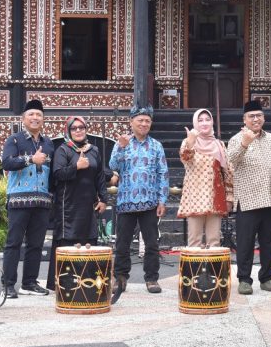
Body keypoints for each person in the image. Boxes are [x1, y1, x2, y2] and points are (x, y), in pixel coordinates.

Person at [227, 100, 271, 295]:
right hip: (247, 200)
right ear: (244, 119)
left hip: (270, 199)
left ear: (263, 118)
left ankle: (266, 277)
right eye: (251, 116)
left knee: (269, 242)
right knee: (245, 243)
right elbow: (231, 162)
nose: (256, 119)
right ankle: (244, 279)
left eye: (259, 116)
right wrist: (245, 144)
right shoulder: (236, 139)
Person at [110, 105, 169, 300]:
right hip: (126, 201)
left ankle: (151, 278)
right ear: (131, 122)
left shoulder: (156, 146)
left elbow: (163, 174)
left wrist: (162, 200)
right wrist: (121, 148)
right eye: (140, 120)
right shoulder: (123, 142)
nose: (144, 123)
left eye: (147, 121)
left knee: (152, 243)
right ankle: (120, 277)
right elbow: (113, 167)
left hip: (150, 203)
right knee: (122, 243)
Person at [46, 116, 109, 291]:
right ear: (69, 131)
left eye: (81, 127)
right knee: (67, 241)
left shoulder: (93, 150)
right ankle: (64, 284)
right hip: (68, 207)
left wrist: (103, 199)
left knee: (88, 239)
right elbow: (57, 174)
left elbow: (100, 177)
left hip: (88, 205)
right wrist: (76, 167)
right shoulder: (63, 150)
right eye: (74, 128)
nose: (78, 130)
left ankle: (88, 282)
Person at [0, 100, 54, 298]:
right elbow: (6, 162)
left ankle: (29, 282)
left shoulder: (48, 143)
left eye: (38, 115)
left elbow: (53, 173)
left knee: (36, 244)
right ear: (23, 119)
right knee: (13, 243)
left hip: (42, 202)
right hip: (19, 200)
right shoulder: (14, 140)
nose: (35, 118)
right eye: (31, 114)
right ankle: (8, 284)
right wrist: (31, 159)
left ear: (43, 119)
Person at [179, 108, 233, 247]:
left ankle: (213, 269)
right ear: (195, 123)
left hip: (215, 197)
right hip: (195, 198)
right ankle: (193, 270)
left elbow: (228, 172)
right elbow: (186, 160)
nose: (204, 123)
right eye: (200, 120)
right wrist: (190, 142)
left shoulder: (219, 144)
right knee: (194, 241)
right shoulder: (188, 141)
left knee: (214, 241)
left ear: (212, 122)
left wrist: (229, 198)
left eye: (207, 120)